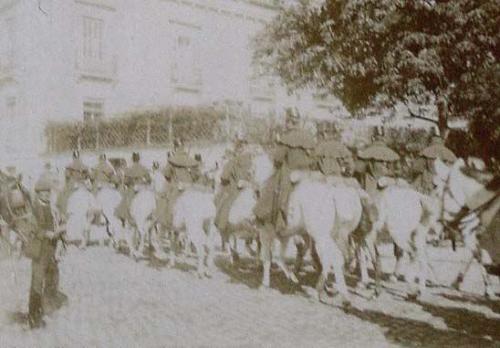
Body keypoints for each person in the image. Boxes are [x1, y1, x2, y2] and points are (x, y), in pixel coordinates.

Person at [254, 108, 316, 232]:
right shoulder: (308, 137)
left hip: (291, 172)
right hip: (309, 173)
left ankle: (277, 221)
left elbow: (278, 159)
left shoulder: (287, 138)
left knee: (271, 188)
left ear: (288, 121)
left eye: (286, 121)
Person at [28, 175, 67, 329]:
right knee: (37, 282)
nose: (46, 194)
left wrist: (61, 225)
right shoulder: (34, 209)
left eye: (47, 191)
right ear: (37, 193)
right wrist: (46, 233)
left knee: (53, 277)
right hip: (39, 249)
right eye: (42, 192)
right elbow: (33, 229)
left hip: (51, 248)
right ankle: (34, 317)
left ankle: (48, 308)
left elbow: (57, 221)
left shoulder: (51, 207)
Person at [215, 134, 253, 241]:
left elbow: (224, 177)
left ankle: (222, 226)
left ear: (238, 148)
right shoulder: (252, 160)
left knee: (223, 207)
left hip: (236, 191)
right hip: (253, 191)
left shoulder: (233, 161)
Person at [356, 126, 400, 196]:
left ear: (373, 138)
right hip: (385, 182)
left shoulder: (367, 152)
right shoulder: (389, 153)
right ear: (383, 137)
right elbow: (395, 170)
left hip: (371, 182)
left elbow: (359, 169)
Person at [412, 128, 457, 195]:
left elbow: (416, 168)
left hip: (431, 183)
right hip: (442, 183)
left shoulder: (426, 155)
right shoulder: (449, 156)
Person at [115, 152, 151, 226]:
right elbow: (149, 180)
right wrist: (143, 182)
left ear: (132, 159)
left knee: (124, 203)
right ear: (139, 159)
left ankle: (124, 218)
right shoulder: (144, 168)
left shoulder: (129, 169)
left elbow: (125, 181)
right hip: (143, 188)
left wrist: (129, 182)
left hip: (133, 189)